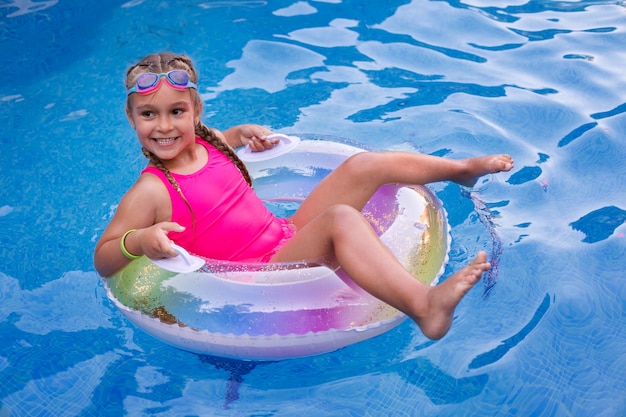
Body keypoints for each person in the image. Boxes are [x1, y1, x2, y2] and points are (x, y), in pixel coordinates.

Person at [94, 52, 514, 340]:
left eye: (176, 112)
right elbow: (104, 257)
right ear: (131, 119)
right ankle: (424, 306)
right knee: (340, 220)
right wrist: (140, 241)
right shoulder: (151, 190)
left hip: (283, 234)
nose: (164, 126)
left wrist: (246, 134)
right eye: (149, 114)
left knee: (363, 166)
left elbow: (227, 141)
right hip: (260, 273)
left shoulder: (207, 144)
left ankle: (462, 172)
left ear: (196, 112)